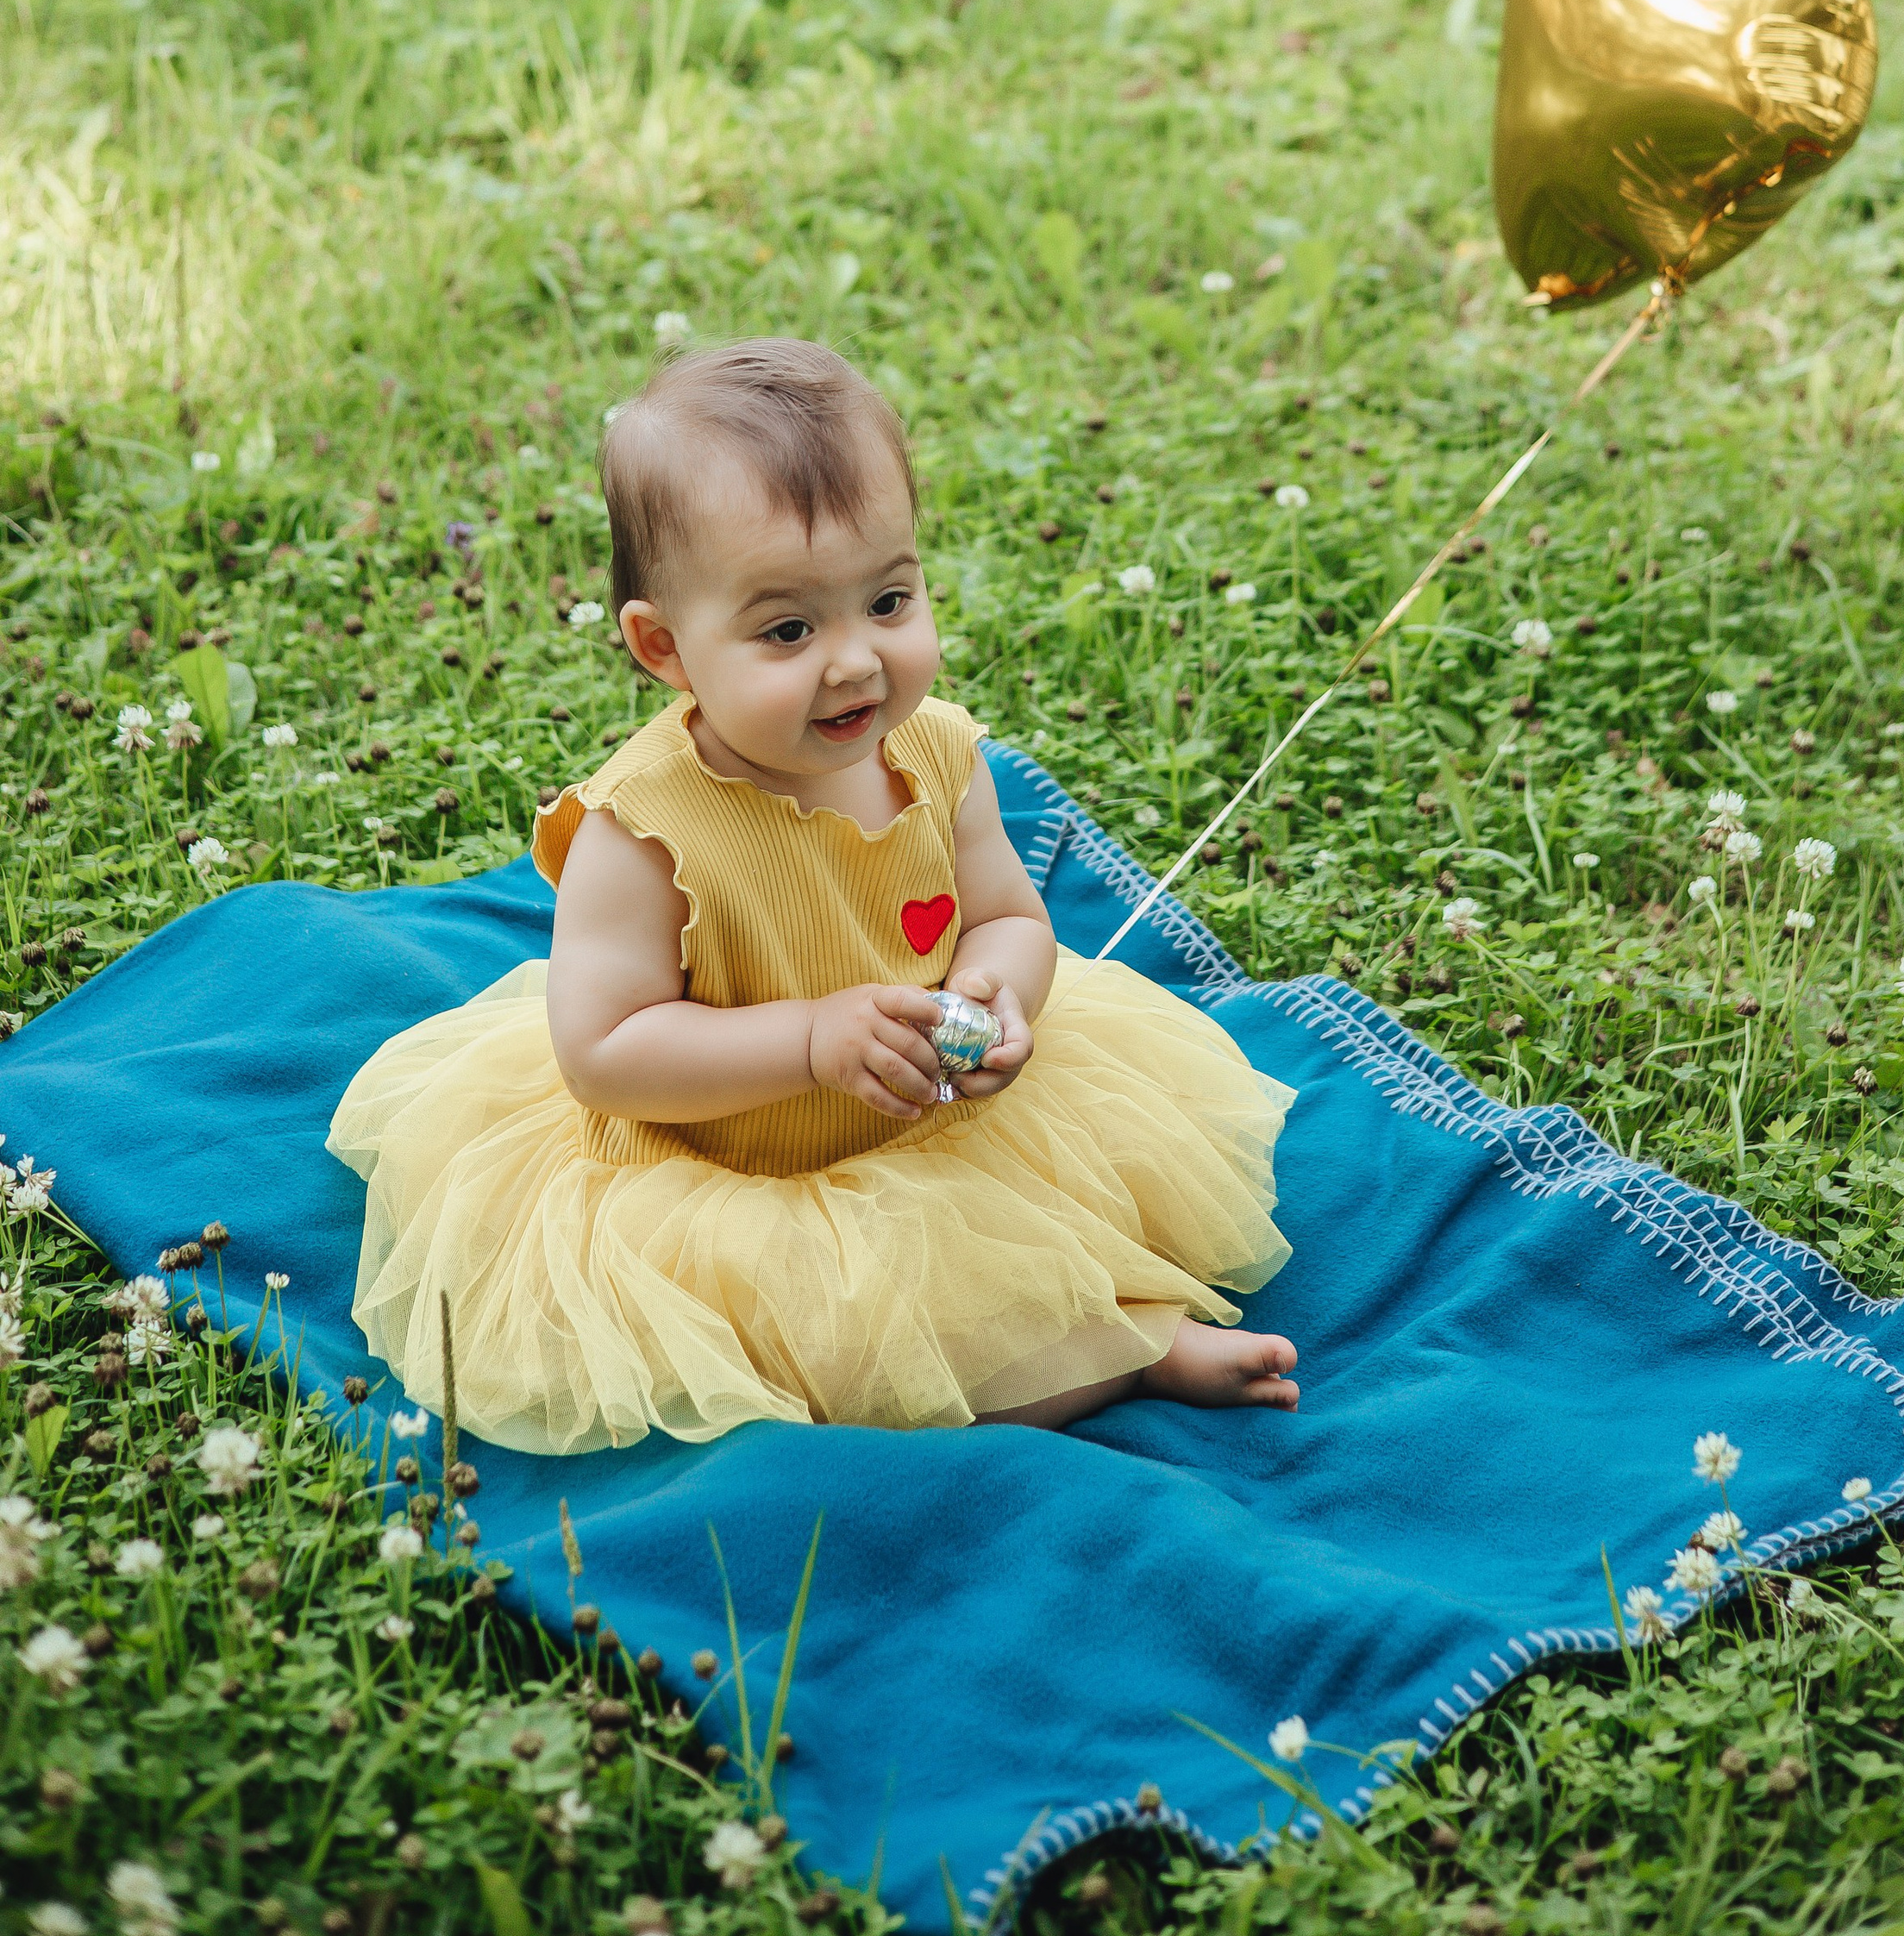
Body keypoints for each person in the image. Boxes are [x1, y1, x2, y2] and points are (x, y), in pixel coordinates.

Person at [329, 340, 1297, 1451]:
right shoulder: (641, 830)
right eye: (788, 629)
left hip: (928, 1128)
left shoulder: (933, 756)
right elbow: (605, 1051)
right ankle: (1128, 1354)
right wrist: (805, 1040)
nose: (854, 663)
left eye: (889, 599)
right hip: (731, 1167)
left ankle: (1094, 1319)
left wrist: (997, 994)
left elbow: (1009, 920)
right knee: (857, 1345)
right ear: (666, 647)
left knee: (1015, 1227)